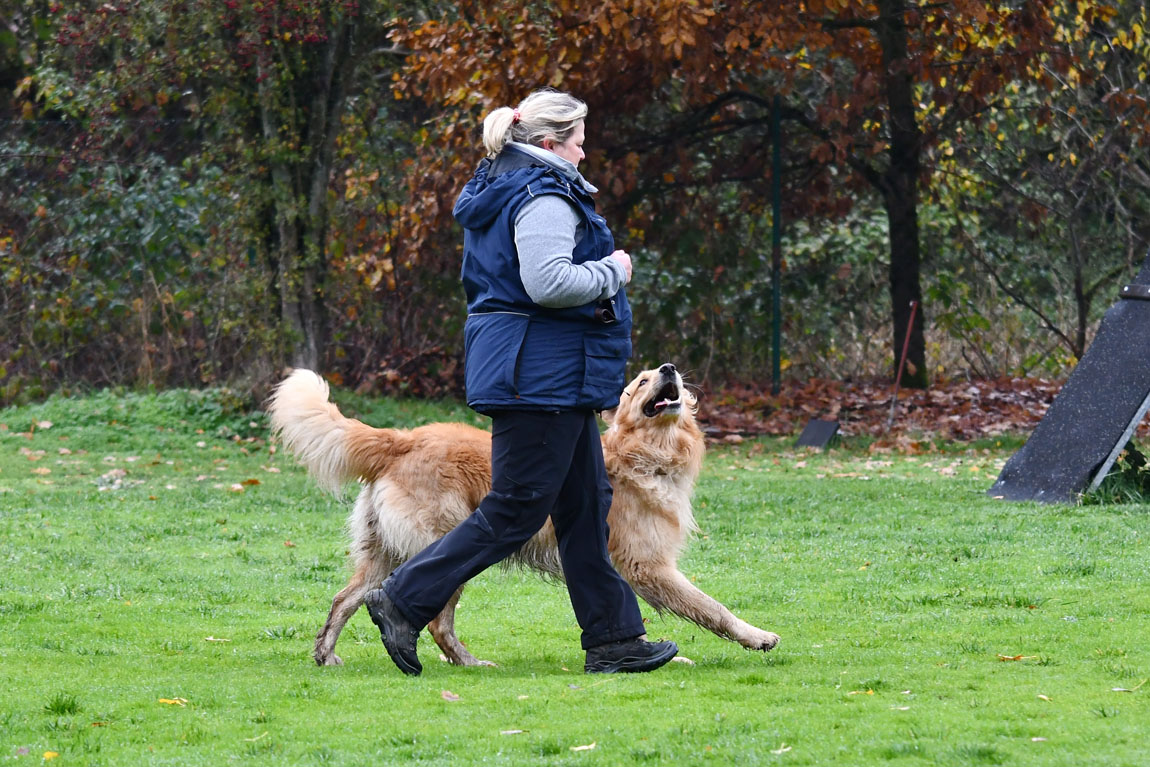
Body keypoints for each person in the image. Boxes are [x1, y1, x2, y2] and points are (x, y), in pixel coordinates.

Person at [362, 89, 678, 676]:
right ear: (549, 144)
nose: (585, 154)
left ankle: (614, 639)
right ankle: (402, 599)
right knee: (516, 510)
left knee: (586, 507)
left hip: (546, 373)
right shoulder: (542, 195)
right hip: (539, 377)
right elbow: (548, 282)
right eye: (579, 142)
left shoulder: (510, 185)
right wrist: (615, 270)